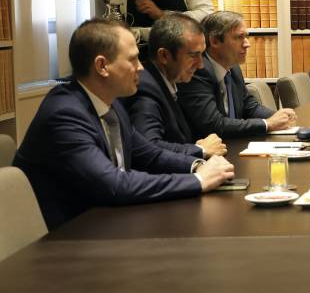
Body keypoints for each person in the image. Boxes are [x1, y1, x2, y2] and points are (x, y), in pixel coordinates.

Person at [12, 19, 235, 230]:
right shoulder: (64, 114)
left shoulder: (112, 104)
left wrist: (196, 166)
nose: (141, 68)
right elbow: (113, 184)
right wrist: (197, 180)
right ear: (102, 66)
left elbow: (150, 154)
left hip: (104, 224)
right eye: (132, 59)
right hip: (65, 239)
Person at [122, 14, 227, 159]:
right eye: (193, 55)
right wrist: (200, 149)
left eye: (202, 55)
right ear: (164, 56)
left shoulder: (169, 81)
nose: (201, 65)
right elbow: (149, 146)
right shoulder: (145, 89)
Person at [178, 11, 295, 138]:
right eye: (239, 37)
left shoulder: (233, 67)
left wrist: (278, 116)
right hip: (209, 152)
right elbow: (214, 125)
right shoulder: (197, 71)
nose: (247, 44)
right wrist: (267, 124)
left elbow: (249, 106)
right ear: (215, 41)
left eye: (246, 37)